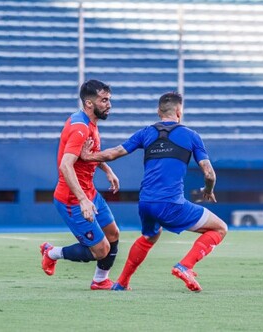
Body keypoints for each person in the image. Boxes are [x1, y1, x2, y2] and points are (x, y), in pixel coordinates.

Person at [80, 92, 228, 292]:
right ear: (179, 111)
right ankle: (185, 266)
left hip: (146, 203)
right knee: (220, 228)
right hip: (170, 203)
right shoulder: (191, 136)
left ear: (158, 112)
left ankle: (122, 283)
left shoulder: (146, 133)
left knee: (150, 236)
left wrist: (88, 156)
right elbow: (210, 174)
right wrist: (207, 190)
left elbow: (114, 153)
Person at [39, 79, 121, 290]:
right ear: (89, 103)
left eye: (109, 99)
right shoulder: (80, 128)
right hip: (72, 199)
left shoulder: (89, 122)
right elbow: (66, 166)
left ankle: (100, 281)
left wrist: (107, 170)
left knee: (113, 234)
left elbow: (86, 155)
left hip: (88, 192)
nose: (109, 104)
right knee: (100, 250)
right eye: (104, 100)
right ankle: (51, 252)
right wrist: (83, 200)